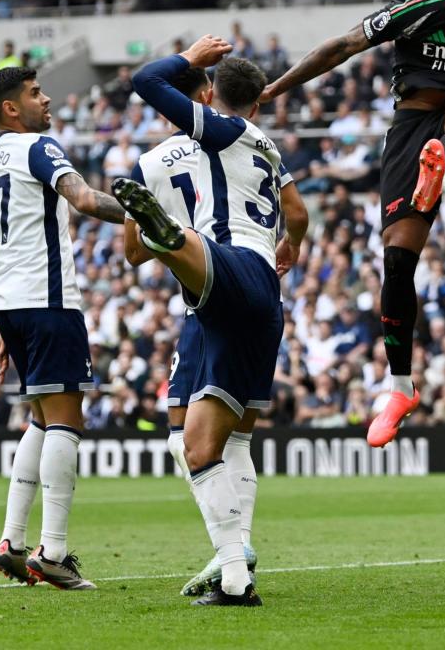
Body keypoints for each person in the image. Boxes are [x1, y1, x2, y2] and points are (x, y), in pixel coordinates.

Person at [260, 0, 445, 448]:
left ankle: (442, 165)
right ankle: (400, 387)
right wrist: (273, 89)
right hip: (409, 130)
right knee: (397, 261)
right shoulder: (418, 10)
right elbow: (341, 47)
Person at [119, 36, 293, 607]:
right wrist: (290, 247)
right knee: (218, 440)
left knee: (186, 440)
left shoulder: (190, 143)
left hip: (217, 281)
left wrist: (189, 56)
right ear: (261, 100)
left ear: (210, 96)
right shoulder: (268, 145)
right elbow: (299, 212)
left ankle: (173, 236)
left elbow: (128, 255)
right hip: (264, 294)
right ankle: (234, 564)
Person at [0, 66, 127, 589]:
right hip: (50, 303)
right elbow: (85, 199)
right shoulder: (39, 148)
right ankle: (52, 551)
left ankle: (11, 540)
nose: (46, 99)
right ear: (12, 108)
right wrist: (151, 214)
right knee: (66, 422)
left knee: (39, 419)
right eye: (35, 93)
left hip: (11, 308)